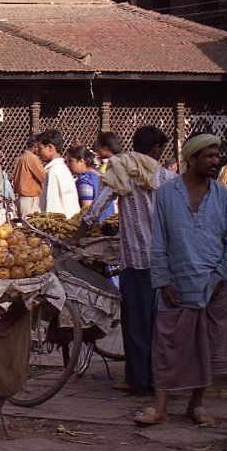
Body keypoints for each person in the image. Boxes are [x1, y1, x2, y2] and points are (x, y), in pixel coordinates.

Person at [135, 134, 227, 428]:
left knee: (205, 346)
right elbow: (159, 242)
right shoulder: (168, 194)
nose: (215, 160)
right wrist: (164, 281)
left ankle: (197, 403)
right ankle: (159, 407)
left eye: (217, 155)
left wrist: (222, 276)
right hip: (176, 286)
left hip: (213, 285)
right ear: (191, 160)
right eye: (208, 156)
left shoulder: (222, 196)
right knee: (166, 345)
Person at [74, 125, 178, 394]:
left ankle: (138, 379)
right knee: (160, 324)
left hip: (136, 262)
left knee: (136, 323)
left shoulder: (123, 172)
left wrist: (75, 239)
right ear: (157, 150)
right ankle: (159, 379)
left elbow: (94, 211)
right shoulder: (168, 178)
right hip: (165, 262)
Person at [37, 129, 79, 218]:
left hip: (59, 225)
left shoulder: (54, 171)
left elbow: (53, 205)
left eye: (40, 148)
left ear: (50, 148)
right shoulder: (61, 168)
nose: (38, 152)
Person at [11, 137, 46, 217]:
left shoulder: (20, 158)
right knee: (31, 225)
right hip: (30, 199)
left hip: (22, 198)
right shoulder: (32, 158)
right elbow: (43, 177)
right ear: (35, 146)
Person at [66, 145, 101, 212]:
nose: (68, 164)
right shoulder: (99, 175)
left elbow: (86, 209)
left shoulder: (84, 180)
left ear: (81, 161)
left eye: (70, 161)